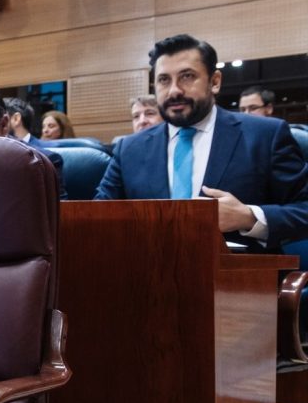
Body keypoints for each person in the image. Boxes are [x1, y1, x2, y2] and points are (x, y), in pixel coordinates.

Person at [95, 33, 308, 251]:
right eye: (164, 80)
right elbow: (96, 218)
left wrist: (249, 217)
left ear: (214, 82)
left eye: (187, 77)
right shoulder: (130, 148)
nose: (174, 90)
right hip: (147, 278)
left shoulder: (265, 135)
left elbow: (304, 209)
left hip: (240, 280)